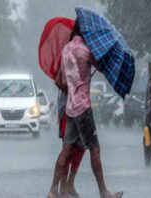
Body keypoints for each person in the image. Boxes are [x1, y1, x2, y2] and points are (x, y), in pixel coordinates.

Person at [48, 19, 123, 198]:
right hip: (83, 108)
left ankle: (52, 190)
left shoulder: (65, 50)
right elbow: (102, 65)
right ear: (86, 33)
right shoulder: (87, 51)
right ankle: (104, 192)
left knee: (66, 150)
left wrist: (71, 90)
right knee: (95, 149)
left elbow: (58, 80)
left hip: (70, 108)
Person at [57, 90, 85, 198]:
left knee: (81, 146)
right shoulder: (66, 72)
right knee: (68, 147)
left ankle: (70, 184)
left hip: (81, 107)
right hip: (68, 110)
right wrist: (74, 88)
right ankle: (62, 187)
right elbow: (60, 81)